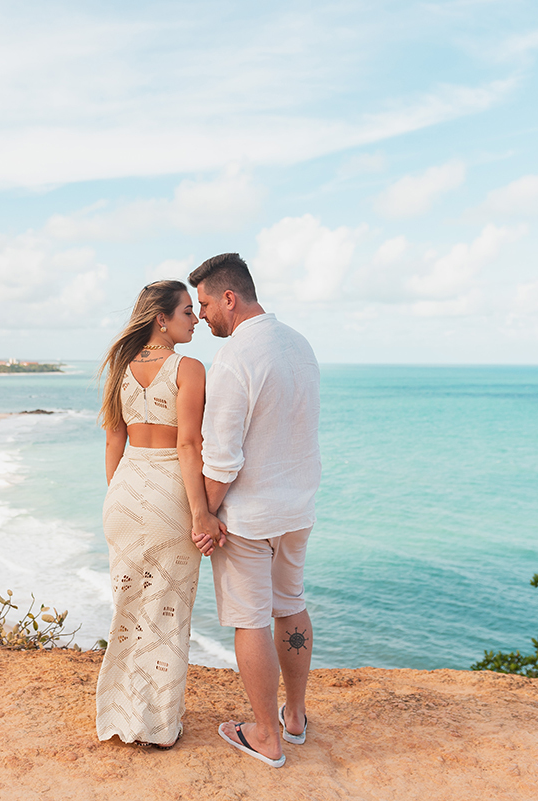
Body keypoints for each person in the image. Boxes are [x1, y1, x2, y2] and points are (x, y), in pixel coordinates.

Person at [188, 253, 321, 769]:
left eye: (203, 304)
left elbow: (221, 457)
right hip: (298, 506)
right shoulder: (299, 344)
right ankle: (295, 717)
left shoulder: (237, 356)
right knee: (291, 604)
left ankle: (265, 736)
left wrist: (205, 515)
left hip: (248, 518)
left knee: (250, 622)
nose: (200, 316)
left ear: (229, 297)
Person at [95, 279, 226, 749]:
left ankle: (117, 716)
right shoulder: (188, 368)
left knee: (128, 611)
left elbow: (114, 442)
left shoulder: (118, 366)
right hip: (170, 495)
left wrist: (121, 497)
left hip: (125, 494)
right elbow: (190, 445)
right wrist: (202, 514)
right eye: (188, 312)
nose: (196, 320)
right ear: (161, 319)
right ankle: (155, 726)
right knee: (166, 614)